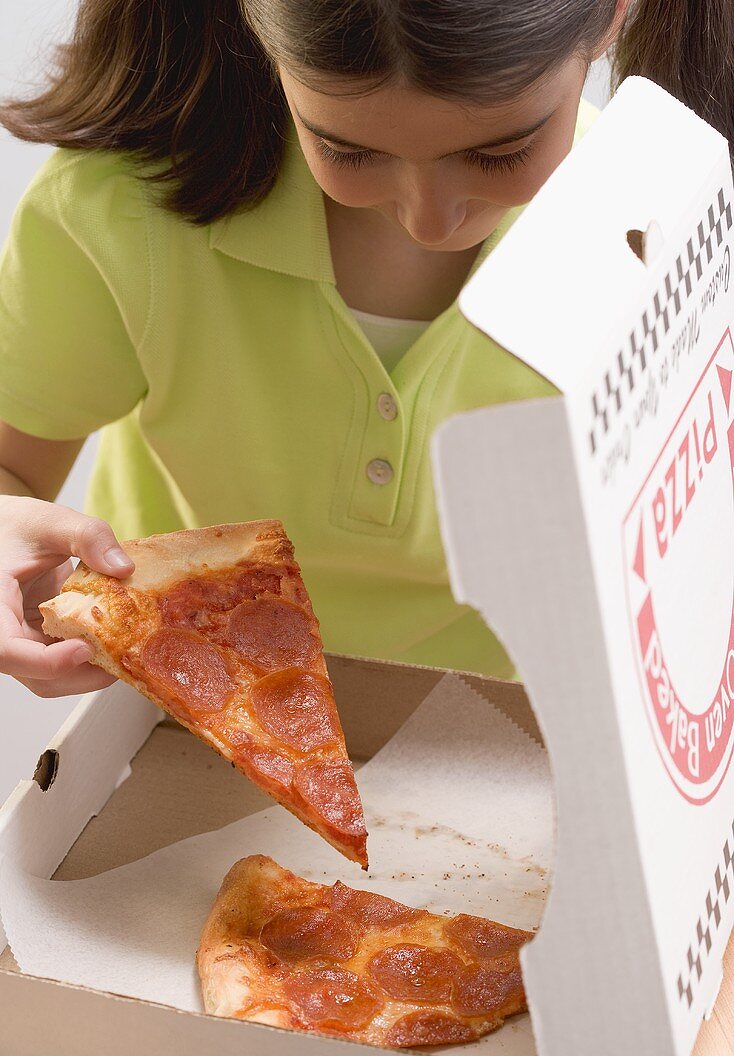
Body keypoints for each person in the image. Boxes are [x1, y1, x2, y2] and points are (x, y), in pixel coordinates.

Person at [0, 0, 731, 699]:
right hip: (181, 704)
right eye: (346, 148)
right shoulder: (121, 214)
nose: (430, 219)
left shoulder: (669, 239)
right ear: (263, 39)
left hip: (527, 734)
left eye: (500, 152)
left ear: (609, 15)